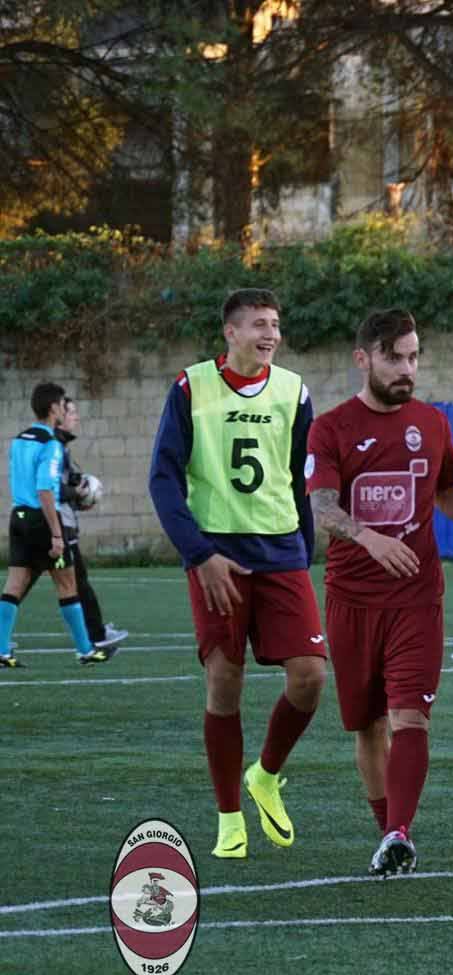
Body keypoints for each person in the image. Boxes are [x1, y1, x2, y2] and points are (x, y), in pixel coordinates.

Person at [145, 290, 326, 861]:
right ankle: (228, 816)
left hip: (280, 550)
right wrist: (198, 554)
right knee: (225, 680)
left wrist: (305, 547)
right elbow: (163, 480)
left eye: (275, 324)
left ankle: (266, 775)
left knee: (311, 677)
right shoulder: (190, 387)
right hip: (216, 552)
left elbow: (298, 477)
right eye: (257, 325)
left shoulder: (294, 391)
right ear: (229, 332)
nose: (269, 334)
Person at [310, 308, 453, 876]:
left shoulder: (432, 424)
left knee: (411, 717)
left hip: (416, 598)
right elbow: (321, 508)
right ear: (363, 359)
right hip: (352, 599)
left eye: (413, 356)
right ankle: (388, 832)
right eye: (394, 357)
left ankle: (399, 831)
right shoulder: (331, 427)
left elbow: (448, 495)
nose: (406, 368)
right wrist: (369, 539)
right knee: (368, 726)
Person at [2, 386, 110, 668]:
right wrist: (56, 533)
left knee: (14, 584)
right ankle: (86, 649)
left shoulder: (19, 439)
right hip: (42, 519)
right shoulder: (50, 444)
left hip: (18, 516)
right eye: (63, 405)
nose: (65, 410)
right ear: (53, 409)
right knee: (67, 583)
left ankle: (2, 650)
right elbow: (46, 491)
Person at [51, 398, 126, 651]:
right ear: (57, 415)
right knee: (76, 582)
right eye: (71, 412)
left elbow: (65, 482)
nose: (76, 417)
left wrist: (80, 491)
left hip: (58, 523)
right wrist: (78, 493)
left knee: (24, 583)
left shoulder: (62, 447)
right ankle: (96, 634)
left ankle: (95, 634)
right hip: (56, 525)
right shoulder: (53, 446)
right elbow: (51, 487)